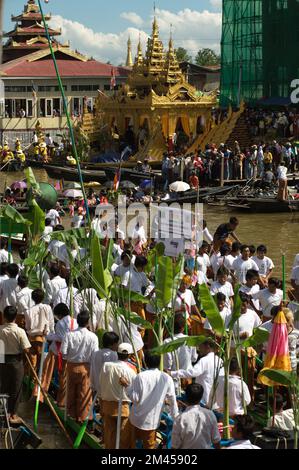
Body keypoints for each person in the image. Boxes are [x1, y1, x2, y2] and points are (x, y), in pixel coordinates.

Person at [120, 352, 178, 449]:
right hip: (151, 422)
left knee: (128, 443)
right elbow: (172, 400)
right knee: (149, 447)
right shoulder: (167, 378)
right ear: (159, 363)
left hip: (136, 419)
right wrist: (176, 418)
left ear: (146, 362)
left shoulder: (141, 376)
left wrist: (127, 386)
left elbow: (135, 398)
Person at [61, 311, 99, 423]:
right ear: (88, 322)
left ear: (77, 321)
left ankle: (71, 415)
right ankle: (82, 417)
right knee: (84, 393)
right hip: (86, 368)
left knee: (71, 391)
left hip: (71, 366)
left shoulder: (69, 335)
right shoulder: (93, 337)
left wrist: (70, 358)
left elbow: (63, 353)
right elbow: (94, 354)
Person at [99, 342, 137, 449]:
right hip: (123, 406)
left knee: (110, 435)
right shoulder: (131, 371)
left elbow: (101, 382)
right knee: (124, 436)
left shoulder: (106, 366)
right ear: (129, 355)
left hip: (107, 404)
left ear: (117, 353)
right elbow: (134, 391)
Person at [40, 303, 78, 407]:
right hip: (72, 352)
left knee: (62, 377)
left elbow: (61, 338)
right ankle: (62, 400)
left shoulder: (60, 323)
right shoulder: (74, 321)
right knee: (65, 377)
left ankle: (61, 401)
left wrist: (48, 336)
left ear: (60, 314)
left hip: (61, 352)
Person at [0, 306, 31, 424]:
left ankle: (4, 412)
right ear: (15, 317)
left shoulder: (0, 329)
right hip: (16, 361)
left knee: (4, 386)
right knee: (16, 388)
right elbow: (27, 349)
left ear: (4, 316)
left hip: (2, 360)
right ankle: (12, 414)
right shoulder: (19, 331)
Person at [170, 339, 224, 406]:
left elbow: (193, 373)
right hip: (215, 399)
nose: (198, 349)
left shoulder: (204, 360)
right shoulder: (220, 360)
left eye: (200, 346)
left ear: (207, 347)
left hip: (204, 397)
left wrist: (172, 373)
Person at [172, 384, 221, 450]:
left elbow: (175, 445)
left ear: (186, 397)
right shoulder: (210, 414)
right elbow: (216, 440)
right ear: (201, 397)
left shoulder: (180, 419)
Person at [163, 314, 198, 390]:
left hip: (174, 379)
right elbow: (194, 358)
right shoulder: (190, 339)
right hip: (187, 377)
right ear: (183, 327)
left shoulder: (167, 342)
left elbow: (167, 365)